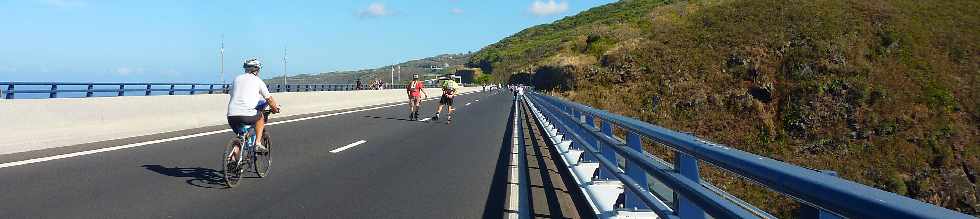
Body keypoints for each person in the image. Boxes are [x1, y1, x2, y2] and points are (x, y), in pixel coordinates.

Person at [226, 58, 281, 161]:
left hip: (231, 116)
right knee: (260, 117)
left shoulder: (236, 79)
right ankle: (258, 144)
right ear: (257, 70)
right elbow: (269, 99)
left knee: (242, 136)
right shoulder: (258, 81)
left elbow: (232, 94)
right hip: (246, 115)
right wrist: (274, 109)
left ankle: (232, 160)